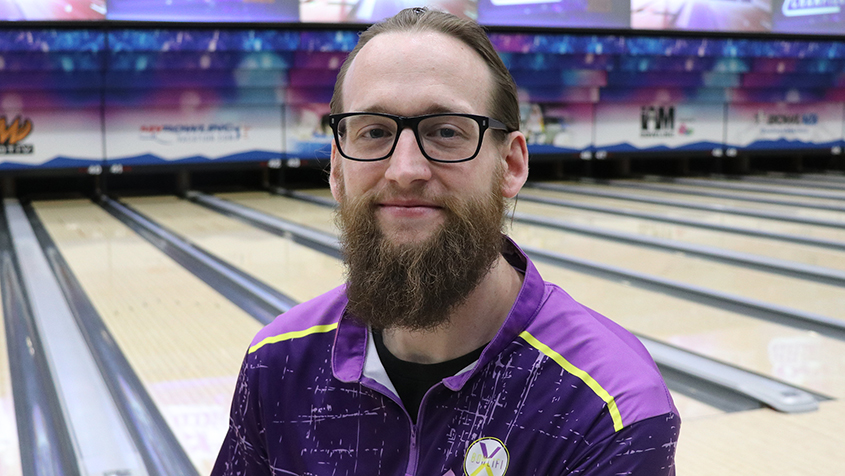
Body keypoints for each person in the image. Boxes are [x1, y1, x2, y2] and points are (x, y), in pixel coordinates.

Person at [212, 8, 679, 475]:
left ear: (511, 165)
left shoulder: (606, 408)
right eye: (374, 132)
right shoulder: (279, 364)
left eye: (446, 132)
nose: (405, 170)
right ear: (337, 169)